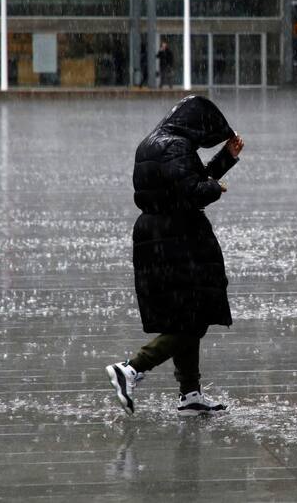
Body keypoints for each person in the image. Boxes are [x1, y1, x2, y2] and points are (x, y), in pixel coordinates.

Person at [107, 95, 244, 416]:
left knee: (186, 314)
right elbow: (195, 191)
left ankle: (190, 393)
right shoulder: (175, 146)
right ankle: (132, 368)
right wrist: (217, 188)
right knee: (194, 317)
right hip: (179, 238)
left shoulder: (154, 143)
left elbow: (181, 182)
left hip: (158, 236)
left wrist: (225, 158)